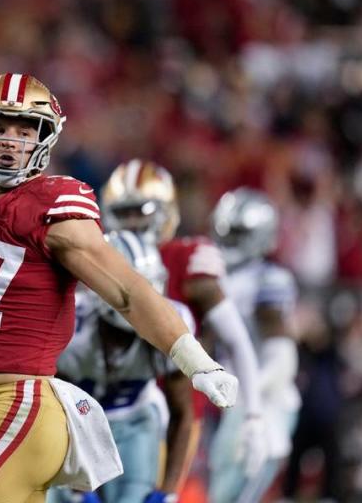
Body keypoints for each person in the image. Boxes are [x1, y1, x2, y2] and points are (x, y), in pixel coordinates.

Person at [0, 73, 239, 503]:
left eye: (24, 130)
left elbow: (127, 290)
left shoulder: (57, 208)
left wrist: (195, 360)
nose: (10, 140)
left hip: (21, 407)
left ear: (45, 137)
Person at [100, 160, 268, 481]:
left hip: (179, 413)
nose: (133, 223)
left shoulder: (190, 262)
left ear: (167, 213)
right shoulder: (99, 261)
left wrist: (254, 416)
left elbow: (237, 339)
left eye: (143, 211)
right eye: (125, 213)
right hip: (112, 409)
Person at [47, 230, 197, 503]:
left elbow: (182, 413)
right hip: (72, 426)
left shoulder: (172, 329)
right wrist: (73, 485)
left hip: (134, 422)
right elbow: (50, 412)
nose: (146, 304)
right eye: (134, 291)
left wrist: (170, 491)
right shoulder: (70, 328)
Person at [208, 188, 300, 503]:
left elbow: (282, 353)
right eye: (226, 230)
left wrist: (251, 393)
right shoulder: (212, 272)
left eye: (238, 232)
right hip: (222, 398)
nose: (229, 239)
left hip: (259, 403)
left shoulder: (267, 279)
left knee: (230, 495)